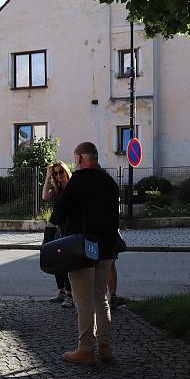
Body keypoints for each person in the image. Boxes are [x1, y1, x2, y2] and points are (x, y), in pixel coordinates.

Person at [49, 142, 120, 365]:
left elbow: (59, 210)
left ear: (80, 159)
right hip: (107, 247)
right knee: (101, 297)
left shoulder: (79, 180)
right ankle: (105, 346)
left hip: (82, 249)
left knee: (83, 301)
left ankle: (85, 349)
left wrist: (51, 230)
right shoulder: (109, 181)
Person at [42, 161, 74, 308]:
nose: (59, 175)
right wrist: (48, 177)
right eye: (56, 173)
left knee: (66, 262)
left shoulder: (73, 187)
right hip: (53, 228)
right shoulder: (57, 189)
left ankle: (70, 295)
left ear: (66, 171)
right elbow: (45, 197)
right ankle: (61, 291)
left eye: (61, 171)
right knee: (55, 261)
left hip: (67, 228)